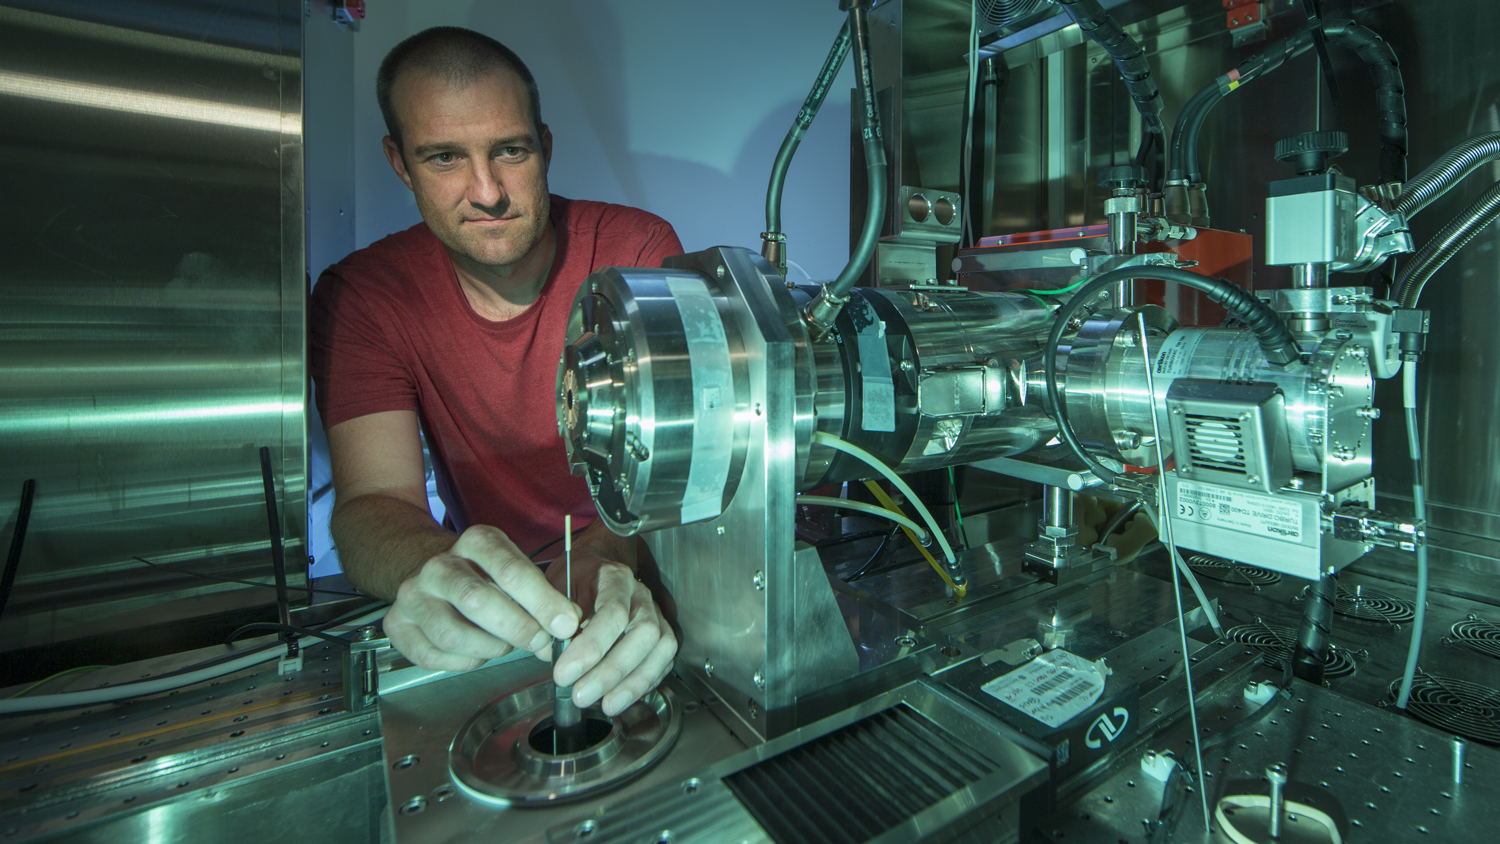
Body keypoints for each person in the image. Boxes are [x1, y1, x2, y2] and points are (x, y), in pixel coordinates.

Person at [309, 26, 682, 718]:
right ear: (400, 163)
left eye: (510, 151)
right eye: (445, 158)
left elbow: (672, 471)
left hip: (630, 589)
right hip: (486, 611)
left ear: (545, 146)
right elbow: (371, 506)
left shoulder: (634, 249)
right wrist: (440, 572)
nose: (487, 192)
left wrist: (607, 555)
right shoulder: (362, 297)